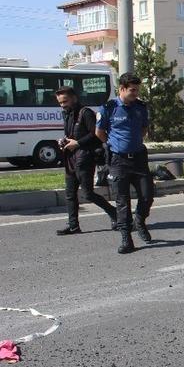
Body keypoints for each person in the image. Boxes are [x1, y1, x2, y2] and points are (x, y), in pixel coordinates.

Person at [95, 72, 154, 254]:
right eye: (132, 90)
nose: (136, 93)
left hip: (139, 159)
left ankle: (140, 220)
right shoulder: (109, 108)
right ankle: (126, 238)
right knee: (122, 201)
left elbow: (144, 129)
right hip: (118, 160)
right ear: (122, 89)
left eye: (137, 90)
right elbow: (99, 132)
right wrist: (114, 144)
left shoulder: (140, 107)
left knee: (147, 195)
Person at [55, 85, 117, 235]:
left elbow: (96, 135)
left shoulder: (86, 113)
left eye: (65, 101)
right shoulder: (67, 114)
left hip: (85, 159)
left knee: (88, 193)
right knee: (70, 194)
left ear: (74, 98)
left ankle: (114, 213)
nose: (62, 105)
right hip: (70, 159)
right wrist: (64, 141)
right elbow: (71, 134)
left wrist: (78, 143)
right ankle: (73, 226)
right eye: (60, 103)